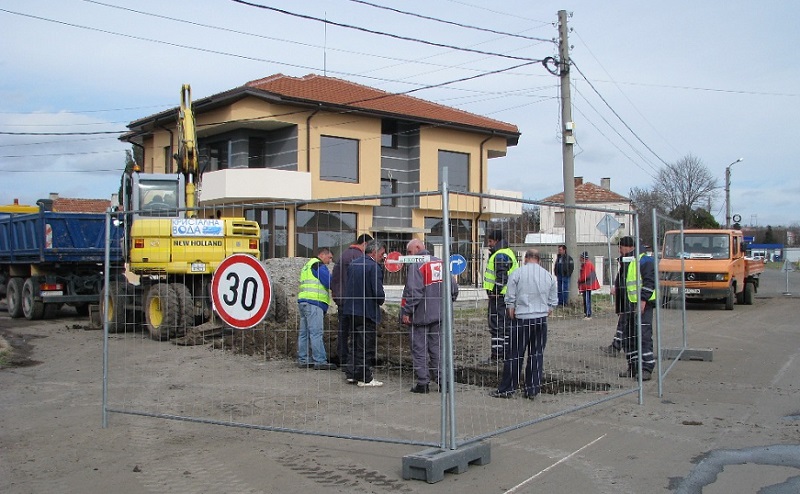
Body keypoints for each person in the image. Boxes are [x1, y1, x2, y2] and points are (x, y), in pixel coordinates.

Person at [491, 249, 557, 400]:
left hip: (521, 318)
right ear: (538, 260)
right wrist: (548, 309)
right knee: (536, 355)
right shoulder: (547, 275)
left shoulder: (518, 273)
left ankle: (507, 389)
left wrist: (510, 308)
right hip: (540, 319)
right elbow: (553, 298)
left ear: (526, 258)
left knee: (514, 355)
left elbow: (510, 294)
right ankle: (532, 389)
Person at [400, 239, 459, 394]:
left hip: (420, 316)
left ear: (418, 247)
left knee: (419, 350)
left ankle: (423, 383)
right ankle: (443, 382)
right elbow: (453, 289)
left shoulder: (417, 265)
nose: (409, 255)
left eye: (410, 252)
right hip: (440, 315)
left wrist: (407, 311)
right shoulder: (441, 263)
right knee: (437, 349)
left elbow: (414, 292)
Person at [342, 240, 386, 387]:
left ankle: (352, 373)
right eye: (381, 254)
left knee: (354, 343)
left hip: (351, 310)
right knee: (365, 345)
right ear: (374, 252)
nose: (382, 257)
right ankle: (365, 377)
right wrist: (381, 300)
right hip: (367, 311)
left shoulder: (354, 264)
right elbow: (378, 293)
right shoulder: (374, 267)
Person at [613, 236, 656, 381]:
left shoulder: (644, 261)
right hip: (628, 305)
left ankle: (646, 368)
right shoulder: (626, 261)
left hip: (641, 305)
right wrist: (619, 305)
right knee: (628, 337)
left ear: (629, 247)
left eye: (621, 247)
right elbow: (622, 284)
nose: (619, 250)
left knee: (643, 336)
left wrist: (643, 300)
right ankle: (633, 367)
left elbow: (650, 282)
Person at [330, 233, 373, 374]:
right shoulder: (358, 257)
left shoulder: (344, 255)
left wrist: (337, 296)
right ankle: (352, 364)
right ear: (365, 244)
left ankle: (344, 360)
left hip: (342, 299)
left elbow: (334, 279)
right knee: (355, 334)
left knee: (343, 331)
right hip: (352, 300)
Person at [296, 247, 337, 370]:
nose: (330, 261)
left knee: (304, 333)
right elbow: (329, 282)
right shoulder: (318, 265)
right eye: (329, 257)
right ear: (322, 255)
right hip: (314, 303)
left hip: (304, 302)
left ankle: (303, 359)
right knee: (316, 333)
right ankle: (320, 360)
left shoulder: (307, 266)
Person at [482, 229, 518, 364]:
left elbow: (501, 276)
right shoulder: (507, 252)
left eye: (490, 241)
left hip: (499, 297)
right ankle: (507, 354)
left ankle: (497, 355)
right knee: (506, 326)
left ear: (496, 241)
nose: (489, 244)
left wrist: (495, 291)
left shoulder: (500, 255)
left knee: (497, 325)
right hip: (507, 296)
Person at [577, 251, 601, 319]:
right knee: (586, 299)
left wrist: (579, 280)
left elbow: (585, 276)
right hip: (587, 285)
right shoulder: (586, 264)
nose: (579, 259)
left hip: (587, 285)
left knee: (587, 300)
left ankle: (588, 314)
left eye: (580, 257)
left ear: (583, 258)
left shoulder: (587, 264)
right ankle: (587, 313)